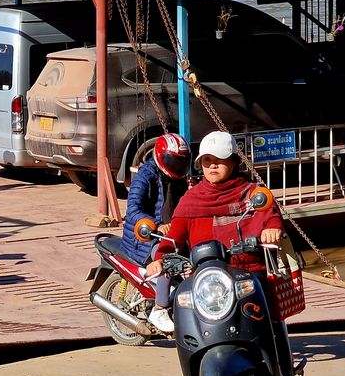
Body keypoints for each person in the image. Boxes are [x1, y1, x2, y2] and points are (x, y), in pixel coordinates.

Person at [147, 130, 284, 298]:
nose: (213, 165)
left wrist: (272, 229)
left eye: (220, 159)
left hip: (249, 276)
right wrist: (159, 259)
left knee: (268, 319)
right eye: (207, 160)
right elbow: (174, 239)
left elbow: (271, 216)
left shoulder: (252, 193)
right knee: (184, 314)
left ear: (234, 161)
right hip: (206, 283)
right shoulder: (191, 200)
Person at [120, 133, 192, 334]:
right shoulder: (145, 176)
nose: (178, 166)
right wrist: (156, 225)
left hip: (174, 233)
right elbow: (133, 209)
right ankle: (159, 309)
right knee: (168, 258)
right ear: (161, 156)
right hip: (144, 237)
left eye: (181, 162)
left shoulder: (180, 178)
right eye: (174, 161)